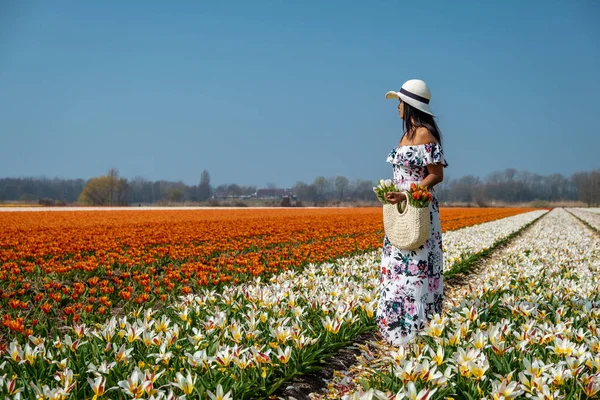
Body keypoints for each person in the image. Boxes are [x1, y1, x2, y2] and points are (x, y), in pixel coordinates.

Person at [376, 79, 448, 347]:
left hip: (418, 208)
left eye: (400, 102)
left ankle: (418, 332)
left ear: (410, 105)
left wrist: (409, 194)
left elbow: (436, 175)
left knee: (417, 269)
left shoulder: (424, 135)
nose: (397, 108)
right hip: (400, 208)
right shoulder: (405, 136)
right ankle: (396, 329)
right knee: (397, 270)